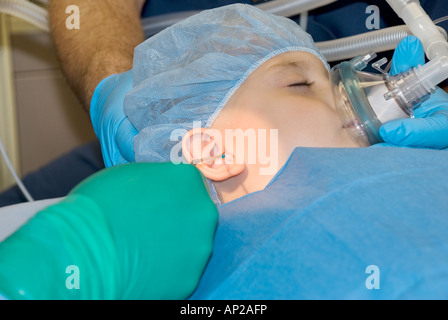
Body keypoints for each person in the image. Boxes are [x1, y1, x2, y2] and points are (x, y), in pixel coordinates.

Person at [0, 3, 448, 300]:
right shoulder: (163, 225)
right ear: (214, 153)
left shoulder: (419, 144)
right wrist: (108, 83)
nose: (351, 93)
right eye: (300, 83)